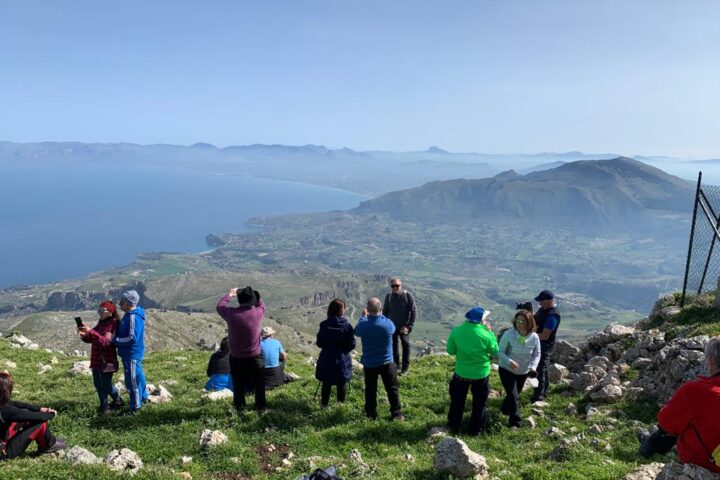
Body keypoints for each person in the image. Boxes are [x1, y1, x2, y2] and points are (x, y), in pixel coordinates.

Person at [638, 336, 720, 473]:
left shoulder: (695, 391)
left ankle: (647, 448)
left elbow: (665, 421)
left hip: (707, 465)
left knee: (674, 426)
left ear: (710, 360)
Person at [446, 306, 499, 435]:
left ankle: (453, 427)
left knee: (457, 402)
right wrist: (490, 332)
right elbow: (495, 351)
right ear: (481, 320)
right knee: (479, 404)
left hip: (461, 372)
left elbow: (451, 351)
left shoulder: (456, 331)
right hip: (481, 373)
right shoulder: (485, 334)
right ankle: (474, 430)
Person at [216, 286, 267, 412]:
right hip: (255, 356)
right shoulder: (257, 313)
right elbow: (262, 305)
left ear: (239, 300)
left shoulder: (231, 314)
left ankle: (239, 407)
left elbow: (219, 306)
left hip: (236, 357)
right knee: (259, 383)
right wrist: (256, 296)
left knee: (238, 384)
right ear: (252, 301)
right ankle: (260, 407)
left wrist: (230, 295)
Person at [355, 297, 404, 421]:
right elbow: (392, 328)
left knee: (370, 389)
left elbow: (357, 331)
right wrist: (380, 315)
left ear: (367, 310)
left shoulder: (363, 325)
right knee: (392, 388)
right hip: (387, 362)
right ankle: (397, 414)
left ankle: (371, 414)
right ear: (380, 309)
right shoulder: (387, 324)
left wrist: (363, 317)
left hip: (370, 363)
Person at [0, 372, 67, 459]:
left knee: (25, 412)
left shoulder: (3, 405)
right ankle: (49, 445)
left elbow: (17, 404)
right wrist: (51, 414)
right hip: (4, 452)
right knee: (40, 422)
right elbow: (36, 416)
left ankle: (50, 440)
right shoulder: (5, 410)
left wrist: (39, 409)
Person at [78, 300, 124, 414]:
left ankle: (118, 400)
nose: (99, 313)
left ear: (110, 312)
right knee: (98, 384)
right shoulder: (101, 323)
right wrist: (84, 335)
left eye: (101, 310)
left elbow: (106, 342)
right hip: (97, 359)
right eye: (98, 310)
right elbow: (93, 338)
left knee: (106, 384)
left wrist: (91, 332)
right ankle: (104, 406)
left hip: (107, 360)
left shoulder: (114, 324)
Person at [497, 310, 541, 427]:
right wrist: (509, 361)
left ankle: (505, 409)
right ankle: (515, 423)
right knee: (514, 396)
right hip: (507, 369)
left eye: (522, 321)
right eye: (517, 320)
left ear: (529, 322)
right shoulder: (509, 334)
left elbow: (537, 354)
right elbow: (500, 352)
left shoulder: (534, 337)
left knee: (513, 395)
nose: (519, 323)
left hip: (523, 371)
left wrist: (533, 367)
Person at [315, 299, 356, 408]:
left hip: (327, 357)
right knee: (341, 382)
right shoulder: (347, 326)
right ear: (341, 310)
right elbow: (352, 344)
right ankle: (340, 406)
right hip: (342, 358)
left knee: (326, 382)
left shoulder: (324, 325)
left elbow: (319, 343)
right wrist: (343, 350)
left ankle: (324, 404)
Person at [112, 290, 148, 414]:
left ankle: (135, 407)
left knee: (132, 381)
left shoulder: (133, 317)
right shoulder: (132, 314)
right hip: (131, 353)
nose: (120, 303)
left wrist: (115, 340)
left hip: (131, 353)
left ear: (129, 303)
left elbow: (132, 338)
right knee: (138, 376)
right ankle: (144, 397)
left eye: (122, 301)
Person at [382, 278, 417, 375]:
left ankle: (405, 368)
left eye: (397, 285)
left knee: (405, 344)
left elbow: (413, 312)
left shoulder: (407, 295)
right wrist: (385, 325)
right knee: (393, 345)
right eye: (393, 286)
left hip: (404, 327)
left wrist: (408, 326)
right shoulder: (388, 297)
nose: (395, 287)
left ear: (401, 285)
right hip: (391, 326)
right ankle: (397, 365)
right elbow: (385, 312)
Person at [531, 289, 561, 403]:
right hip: (539, 343)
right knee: (543, 367)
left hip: (545, 345)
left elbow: (544, 335)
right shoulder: (543, 309)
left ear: (549, 301)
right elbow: (538, 319)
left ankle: (539, 396)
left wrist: (529, 336)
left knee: (540, 369)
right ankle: (543, 390)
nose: (540, 303)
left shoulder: (553, 315)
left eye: (542, 301)